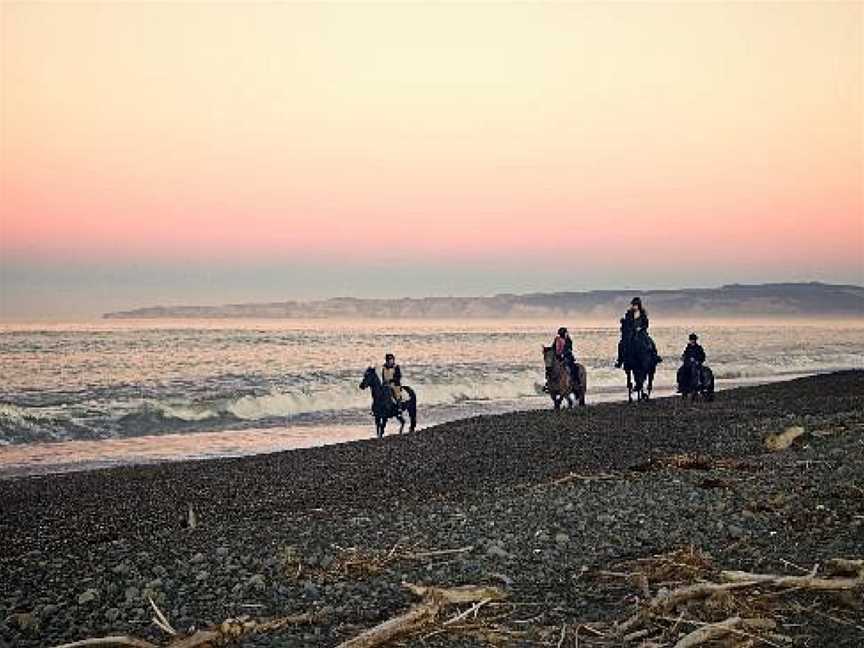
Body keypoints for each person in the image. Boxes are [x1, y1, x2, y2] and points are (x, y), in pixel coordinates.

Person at [615, 297, 662, 367]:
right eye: (634, 304)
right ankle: (620, 360)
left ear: (639, 305)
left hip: (641, 332)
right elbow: (627, 322)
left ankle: (655, 356)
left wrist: (641, 328)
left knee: (650, 342)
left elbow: (646, 323)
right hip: (631, 332)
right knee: (621, 344)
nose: (635, 306)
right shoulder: (629, 313)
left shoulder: (643, 313)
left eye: (636, 304)